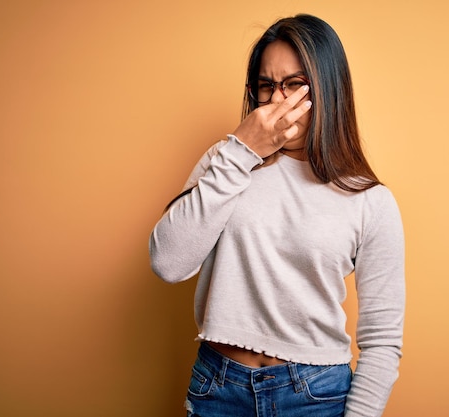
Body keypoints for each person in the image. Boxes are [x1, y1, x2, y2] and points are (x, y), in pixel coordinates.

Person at [149, 14, 405, 417]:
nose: (277, 102)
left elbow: (382, 341)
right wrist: (241, 151)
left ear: (328, 88)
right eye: (266, 87)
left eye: (294, 85)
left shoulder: (369, 200)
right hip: (218, 386)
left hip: (315, 396)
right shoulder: (226, 161)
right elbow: (168, 262)